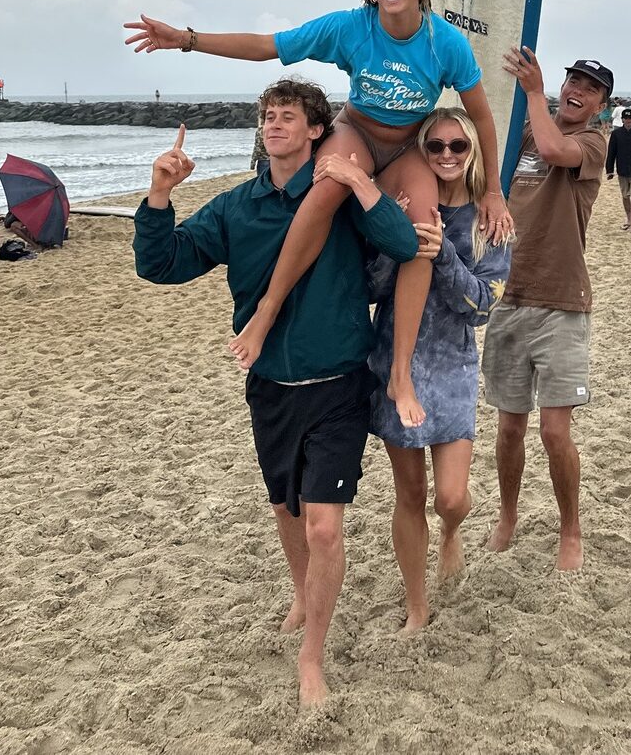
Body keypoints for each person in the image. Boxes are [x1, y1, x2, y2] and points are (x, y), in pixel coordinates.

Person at [124, 0, 512, 428]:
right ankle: (266, 312)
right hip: (357, 131)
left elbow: (482, 117)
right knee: (324, 190)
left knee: (422, 232)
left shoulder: (445, 43)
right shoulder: (350, 28)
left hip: (407, 146)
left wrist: (494, 191)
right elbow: (268, 46)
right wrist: (187, 39)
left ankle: (399, 374)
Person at [133, 79, 418, 706]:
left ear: (317, 130)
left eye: (288, 116)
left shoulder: (338, 200)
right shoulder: (238, 207)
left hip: (340, 381)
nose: (274, 124)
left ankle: (312, 656)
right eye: (267, 116)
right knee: (286, 510)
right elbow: (162, 264)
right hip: (270, 389)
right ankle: (300, 592)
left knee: (323, 528)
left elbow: (401, 246)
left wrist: (364, 183)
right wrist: (159, 193)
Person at [367, 107, 511, 630]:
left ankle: (451, 532)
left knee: (451, 497)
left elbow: (480, 307)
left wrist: (442, 252)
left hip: (451, 368)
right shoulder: (404, 205)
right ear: (422, 151)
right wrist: (395, 235)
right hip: (393, 362)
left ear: (473, 151)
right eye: (436, 146)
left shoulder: (491, 220)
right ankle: (416, 606)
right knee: (409, 494)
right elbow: (372, 287)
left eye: (459, 146)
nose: (447, 155)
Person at [483, 52, 612, 571]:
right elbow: (484, 168)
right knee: (509, 429)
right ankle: (508, 516)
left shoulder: (592, 144)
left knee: (555, 431)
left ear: (602, 103)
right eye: (572, 79)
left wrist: (534, 92)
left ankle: (570, 530)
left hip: (562, 302)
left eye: (590, 87)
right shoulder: (524, 133)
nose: (577, 89)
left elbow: (557, 150)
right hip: (508, 297)